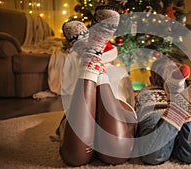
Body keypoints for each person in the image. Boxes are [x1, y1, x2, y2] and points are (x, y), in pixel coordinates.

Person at [57, 6, 137, 166]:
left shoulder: (120, 71)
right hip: (83, 111)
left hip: (116, 111)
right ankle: (93, 60)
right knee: (74, 157)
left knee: (112, 154)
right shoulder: (76, 71)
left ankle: (90, 59)